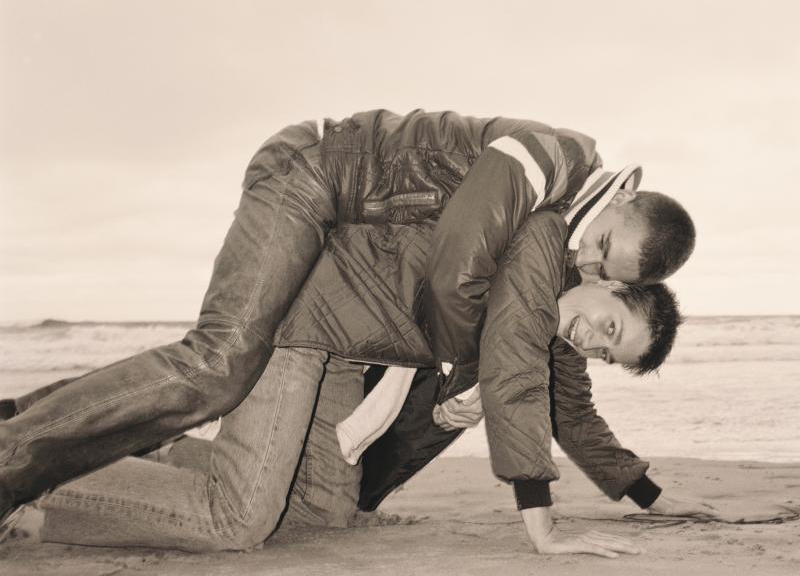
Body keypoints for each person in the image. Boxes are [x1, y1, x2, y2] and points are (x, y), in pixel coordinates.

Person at [0, 109, 695, 524]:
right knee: (220, 364)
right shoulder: (553, 159)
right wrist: (464, 374)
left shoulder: (562, 249)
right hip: (316, 175)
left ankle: (28, 420)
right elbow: (455, 265)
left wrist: (648, 495)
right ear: (624, 189)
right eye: (603, 248)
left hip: (345, 249)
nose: (590, 260)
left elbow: (564, 402)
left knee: (230, 392)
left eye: (605, 269)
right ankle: (13, 459)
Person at [2, 211, 682, 557]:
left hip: (347, 366)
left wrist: (650, 494)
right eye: (612, 330)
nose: (594, 345)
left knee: (315, 516)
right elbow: (523, 405)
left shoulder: (560, 331)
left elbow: (570, 414)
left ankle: (44, 507)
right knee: (237, 516)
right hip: (315, 316)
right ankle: (28, 461)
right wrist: (543, 532)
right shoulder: (538, 259)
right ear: (612, 283)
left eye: (607, 356)